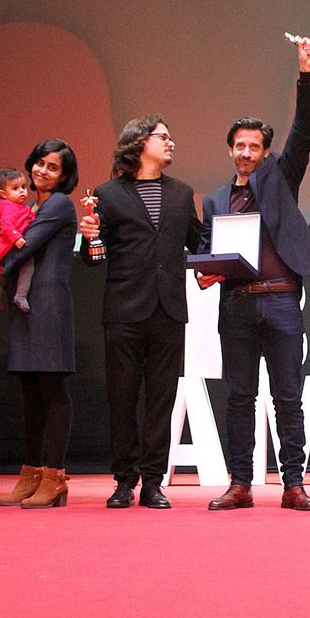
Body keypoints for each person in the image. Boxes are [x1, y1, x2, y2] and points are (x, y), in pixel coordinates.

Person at [199, 38, 310, 511]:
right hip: (235, 304)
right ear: (230, 150)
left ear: (267, 152)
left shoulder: (281, 177)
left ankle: (294, 483)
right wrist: (206, 271)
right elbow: (205, 251)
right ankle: (240, 483)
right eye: (240, 145)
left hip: (279, 300)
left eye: (255, 146)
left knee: (288, 397)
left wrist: (305, 76)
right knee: (239, 397)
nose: (247, 152)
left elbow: (305, 131)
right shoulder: (214, 200)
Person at [80, 115, 210, 509]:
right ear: (139, 143)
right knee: (122, 398)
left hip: (169, 309)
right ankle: (124, 481)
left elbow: (200, 242)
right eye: (163, 137)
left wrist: (229, 255)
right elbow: (93, 258)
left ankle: (154, 482)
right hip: (123, 310)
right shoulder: (106, 194)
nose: (171, 143)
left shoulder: (181, 192)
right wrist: (88, 240)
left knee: (162, 399)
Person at [0, 140, 81, 509]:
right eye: (39, 164)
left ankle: (54, 477)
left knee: (51, 388)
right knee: (31, 392)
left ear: (64, 176)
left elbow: (24, 246)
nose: (42, 172)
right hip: (28, 307)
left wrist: (0, 258)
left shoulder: (59, 204)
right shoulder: (32, 206)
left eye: (53, 167)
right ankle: (30, 474)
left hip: (48, 305)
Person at [0, 167, 37, 312]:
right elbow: (6, 225)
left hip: (9, 246)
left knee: (3, 275)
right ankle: (21, 295)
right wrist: (17, 238)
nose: (22, 191)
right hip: (10, 247)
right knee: (27, 266)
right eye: (15, 188)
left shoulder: (18, 207)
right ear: (3, 194)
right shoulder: (8, 208)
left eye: (23, 187)